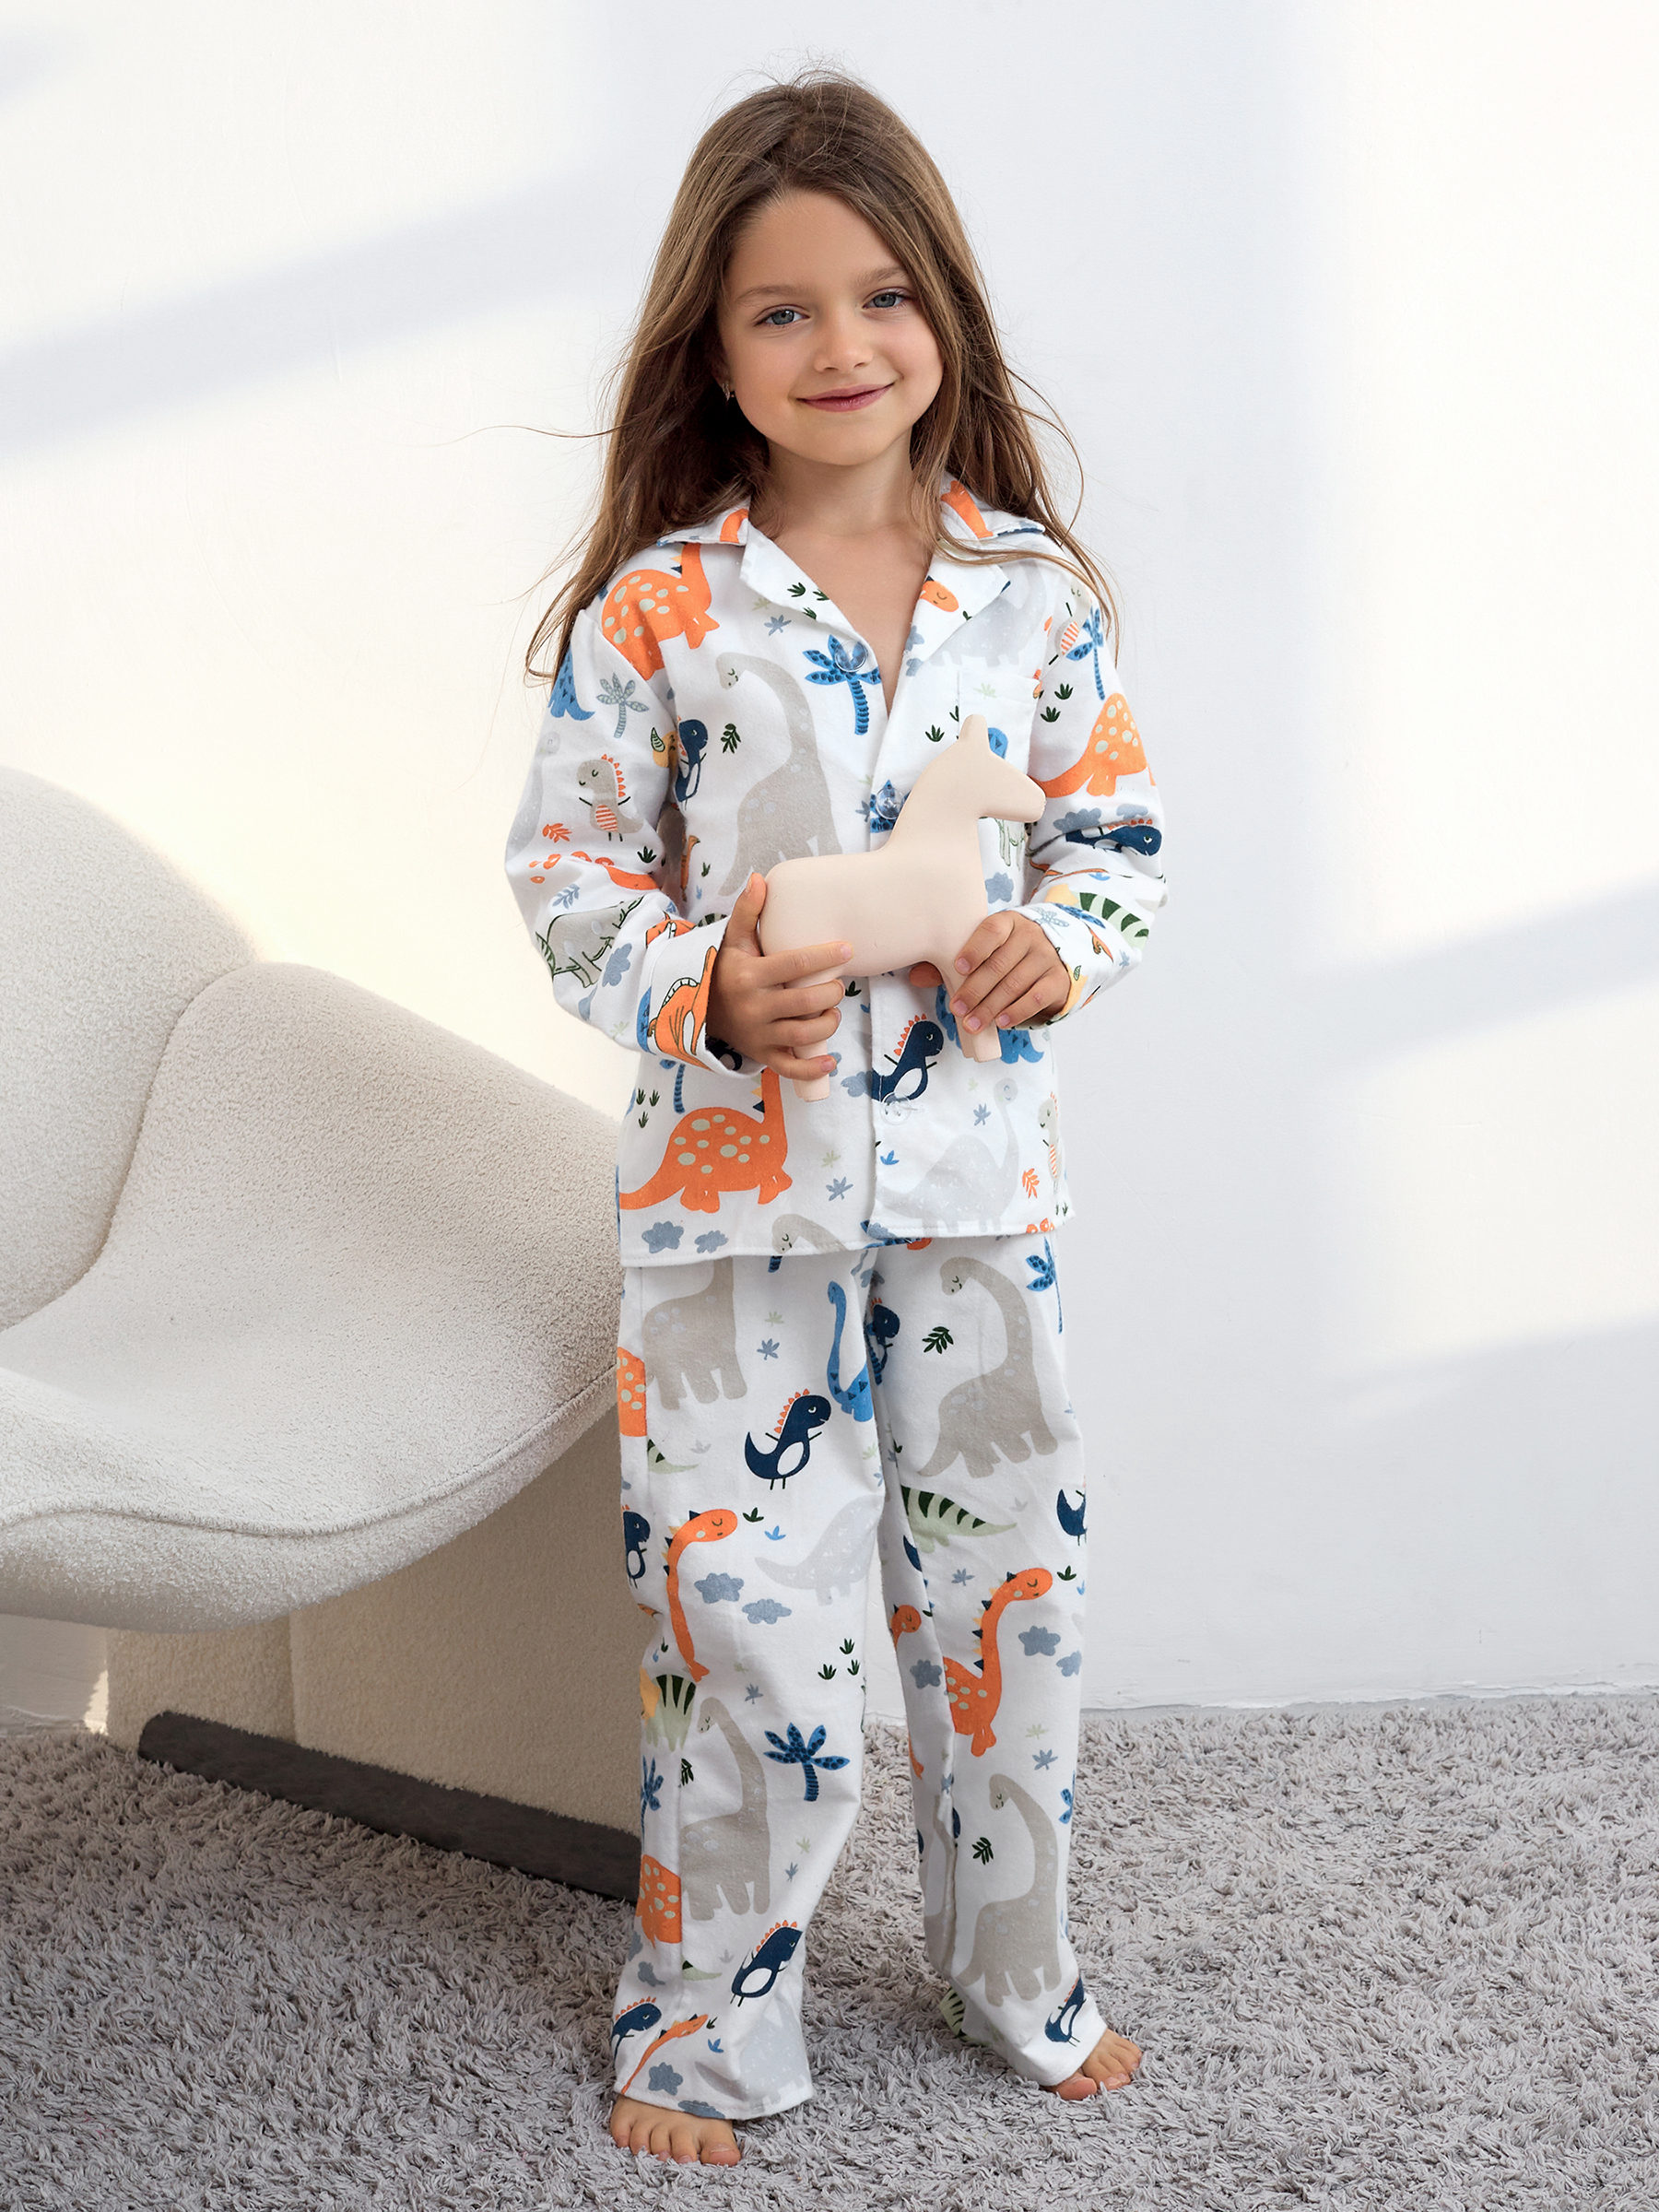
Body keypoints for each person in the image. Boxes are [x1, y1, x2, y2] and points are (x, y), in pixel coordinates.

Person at [505, 68, 1166, 2169]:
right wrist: (703, 984)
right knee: (750, 1646)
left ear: (944, 311)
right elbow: (568, 875)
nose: (842, 345)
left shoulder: (1034, 596)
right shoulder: (658, 612)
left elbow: (1116, 841)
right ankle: (711, 2027)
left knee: (1008, 1617)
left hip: (979, 1201)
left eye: (883, 296)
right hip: (730, 1215)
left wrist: (1064, 943)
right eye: (781, 310)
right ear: (711, 348)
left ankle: (1015, 1971)